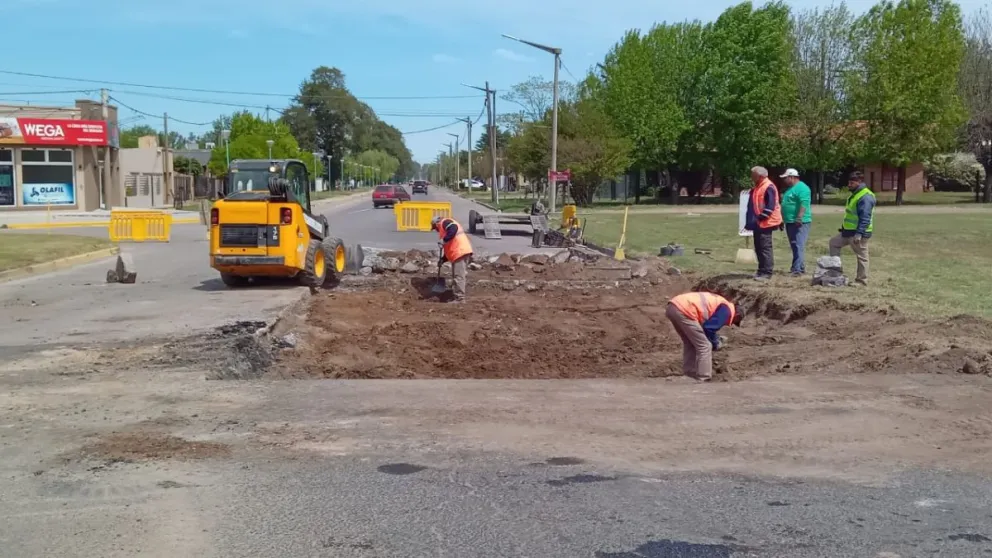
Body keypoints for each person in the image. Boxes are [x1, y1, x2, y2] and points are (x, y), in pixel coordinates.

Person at [665, 292, 745, 382]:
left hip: (673, 307)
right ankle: (704, 377)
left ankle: (689, 374)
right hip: (684, 310)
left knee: (690, 342)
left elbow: (706, 329)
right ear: (737, 316)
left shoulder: (721, 304)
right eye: (734, 321)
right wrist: (715, 343)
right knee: (705, 346)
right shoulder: (727, 311)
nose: (730, 324)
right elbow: (709, 328)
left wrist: (713, 339)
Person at [828, 171, 875, 286]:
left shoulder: (865, 197)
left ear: (859, 182)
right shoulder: (855, 194)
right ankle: (836, 273)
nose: (849, 184)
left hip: (858, 234)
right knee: (834, 243)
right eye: (849, 182)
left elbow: (865, 218)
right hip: (848, 232)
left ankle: (861, 281)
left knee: (862, 256)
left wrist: (859, 234)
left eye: (852, 182)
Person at [743, 166, 783, 281]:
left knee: (765, 248)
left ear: (759, 176)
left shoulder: (768, 186)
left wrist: (760, 218)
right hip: (759, 223)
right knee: (759, 247)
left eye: (752, 175)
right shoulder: (758, 187)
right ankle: (761, 271)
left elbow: (770, 206)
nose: (751, 177)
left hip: (766, 222)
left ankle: (767, 272)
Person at [431, 216, 473, 302]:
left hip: (460, 252)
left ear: (436, 224)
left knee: (458, 276)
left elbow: (454, 229)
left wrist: (444, 240)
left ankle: (460, 299)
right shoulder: (445, 230)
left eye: (435, 228)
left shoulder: (444, 222)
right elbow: (449, 247)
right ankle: (456, 295)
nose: (436, 230)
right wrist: (442, 260)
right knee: (456, 276)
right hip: (459, 252)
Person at [779, 168, 813, 276]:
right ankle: (798, 267)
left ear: (792, 177)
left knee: (798, 245)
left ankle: (797, 270)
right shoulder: (790, 189)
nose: (784, 180)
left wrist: (799, 217)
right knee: (794, 245)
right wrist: (782, 220)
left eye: (785, 178)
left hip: (799, 222)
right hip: (789, 221)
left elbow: (804, 203)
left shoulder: (802, 188)